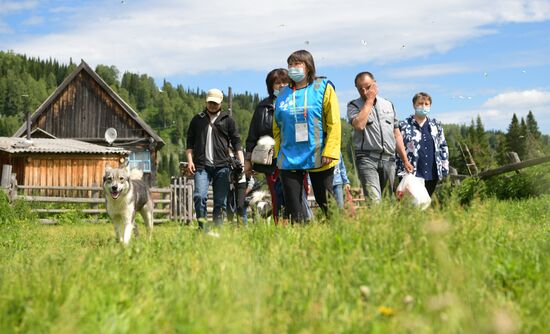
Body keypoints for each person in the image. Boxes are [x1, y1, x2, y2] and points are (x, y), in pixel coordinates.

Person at [273, 49, 341, 223]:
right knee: (292, 204)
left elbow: (334, 123)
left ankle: (340, 233)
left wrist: (330, 150)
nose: (292, 68)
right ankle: (298, 242)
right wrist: (277, 154)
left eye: (297, 64)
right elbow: (277, 127)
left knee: (325, 200)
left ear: (308, 67)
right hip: (289, 155)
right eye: (290, 64)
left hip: (319, 153)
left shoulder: (323, 88)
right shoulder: (282, 94)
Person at [186, 88, 244, 231]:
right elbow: (189, 143)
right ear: (206, 101)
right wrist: (190, 161)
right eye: (210, 102)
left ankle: (218, 230)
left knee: (220, 202)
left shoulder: (228, 120)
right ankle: (203, 228)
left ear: (221, 103)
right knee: (199, 196)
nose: (212, 105)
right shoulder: (197, 120)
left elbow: (237, 142)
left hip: (223, 166)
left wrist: (241, 162)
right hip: (201, 166)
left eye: (215, 103)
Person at [347, 71, 408, 202]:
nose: (364, 92)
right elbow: (359, 125)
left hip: (389, 159)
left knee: (388, 201)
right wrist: (369, 100)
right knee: (374, 201)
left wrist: (405, 159)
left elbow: (396, 133)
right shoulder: (353, 105)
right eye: (360, 89)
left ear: (375, 84)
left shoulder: (388, 105)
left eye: (368, 87)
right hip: (367, 158)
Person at [244, 68, 289, 223]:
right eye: (277, 83)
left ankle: (297, 225)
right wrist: (248, 160)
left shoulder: (297, 102)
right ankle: (279, 226)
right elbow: (252, 136)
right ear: (271, 86)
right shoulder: (262, 108)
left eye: (285, 82)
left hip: (294, 156)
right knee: (276, 194)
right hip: (271, 160)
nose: (281, 85)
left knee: (294, 193)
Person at [396, 92, 449, 196]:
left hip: (432, 172)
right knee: (411, 203)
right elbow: (397, 146)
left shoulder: (436, 125)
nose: (423, 106)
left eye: (426, 104)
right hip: (411, 171)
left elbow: (443, 146)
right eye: (420, 103)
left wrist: (444, 167)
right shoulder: (403, 125)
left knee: (425, 203)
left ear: (430, 106)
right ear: (414, 105)